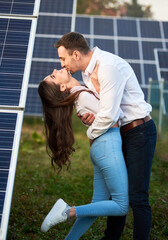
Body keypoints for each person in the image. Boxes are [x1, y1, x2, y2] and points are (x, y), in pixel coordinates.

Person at [54, 32, 157, 240]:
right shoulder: (87, 72)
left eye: (62, 58)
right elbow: (102, 110)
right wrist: (90, 117)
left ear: (75, 54)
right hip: (120, 133)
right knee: (117, 195)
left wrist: (91, 133)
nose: (62, 64)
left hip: (138, 131)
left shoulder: (107, 67)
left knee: (137, 197)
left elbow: (109, 115)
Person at [38, 68, 129, 239]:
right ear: (63, 87)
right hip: (108, 146)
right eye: (52, 76)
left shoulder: (81, 94)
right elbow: (113, 114)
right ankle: (68, 212)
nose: (55, 69)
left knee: (95, 206)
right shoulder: (83, 96)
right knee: (121, 205)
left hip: (101, 148)